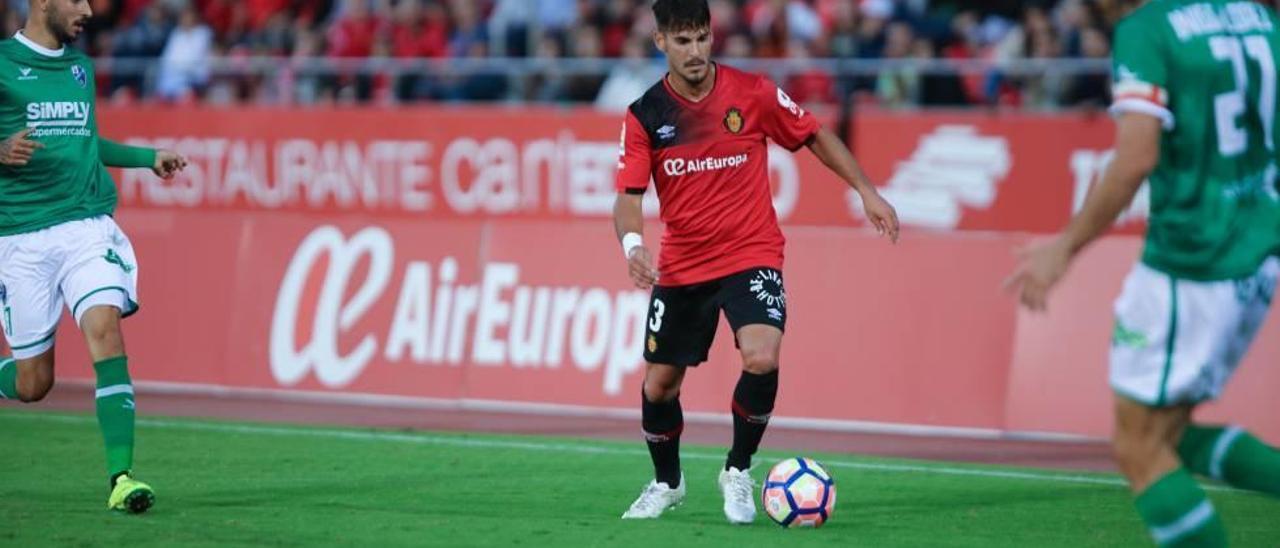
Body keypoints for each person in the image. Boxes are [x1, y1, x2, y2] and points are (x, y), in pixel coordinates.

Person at [612, 0, 899, 524]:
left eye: (701, 38)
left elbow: (812, 134)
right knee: (659, 386)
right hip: (682, 264)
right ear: (661, 44)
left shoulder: (754, 92)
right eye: (682, 41)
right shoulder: (645, 115)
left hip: (751, 252)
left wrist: (866, 191)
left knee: (762, 357)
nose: (695, 51)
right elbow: (628, 196)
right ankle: (666, 482)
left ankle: (738, 469)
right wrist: (634, 248)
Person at [1006, 1, 1280, 545]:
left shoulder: (1148, 31)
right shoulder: (1257, 17)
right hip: (1257, 249)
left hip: (1194, 258)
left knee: (1138, 446)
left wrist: (1066, 246)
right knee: (1167, 436)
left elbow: (1134, 158)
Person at [0, 0, 187, 514]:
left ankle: (121, 478)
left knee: (105, 327)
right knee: (33, 383)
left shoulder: (80, 68)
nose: (87, 10)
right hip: (21, 238)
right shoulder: (1, 64)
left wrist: (147, 158)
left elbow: (83, 140)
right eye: (77, 0)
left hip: (86, 226)